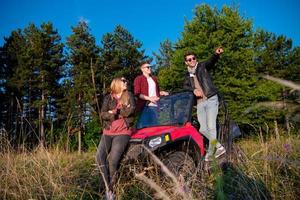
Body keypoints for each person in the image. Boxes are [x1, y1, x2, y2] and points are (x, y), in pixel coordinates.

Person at [183, 47, 226, 162]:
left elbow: (210, 61)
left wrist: (216, 55)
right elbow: (185, 86)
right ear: (186, 62)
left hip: (211, 98)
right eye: (189, 59)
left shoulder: (202, 66)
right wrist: (193, 90)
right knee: (202, 129)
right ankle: (219, 147)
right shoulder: (187, 76)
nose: (192, 60)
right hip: (200, 103)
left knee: (211, 126)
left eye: (193, 58)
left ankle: (211, 152)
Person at [96, 77, 135, 200]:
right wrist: (114, 113)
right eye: (124, 81)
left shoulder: (129, 95)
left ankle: (112, 191)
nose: (126, 83)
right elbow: (102, 114)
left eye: (126, 81)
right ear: (117, 84)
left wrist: (115, 112)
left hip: (123, 132)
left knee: (113, 160)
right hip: (108, 131)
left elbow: (130, 111)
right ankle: (106, 188)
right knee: (99, 158)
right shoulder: (109, 97)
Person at [134, 62, 168, 128]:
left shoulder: (154, 79)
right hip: (145, 107)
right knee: (145, 127)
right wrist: (150, 98)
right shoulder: (138, 79)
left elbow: (156, 92)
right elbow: (137, 94)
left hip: (156, 106)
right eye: (148, 67)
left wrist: (162, 92)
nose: (150, 68)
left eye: (150, 67)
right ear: (142, 69)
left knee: (155, 126)